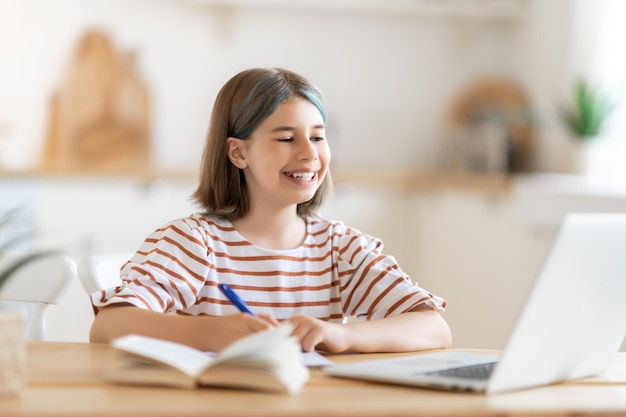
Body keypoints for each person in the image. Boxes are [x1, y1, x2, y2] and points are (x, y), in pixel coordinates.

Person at [89, 67, 452, 353]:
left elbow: (434, 328)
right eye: (286, 138)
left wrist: (342, 336)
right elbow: (109, 326)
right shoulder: (194, 242)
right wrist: (210, 332)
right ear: (238, 153)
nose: (309, 153)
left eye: (317, 136)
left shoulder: (342, 249)